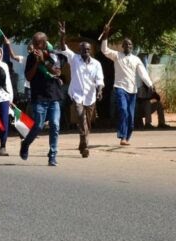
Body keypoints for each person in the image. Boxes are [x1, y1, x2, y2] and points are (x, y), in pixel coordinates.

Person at [100, 26, 154, 146]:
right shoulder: (116, 55)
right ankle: (122, 136)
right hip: (120, 88)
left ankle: (127, 137)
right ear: (122, 46)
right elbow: (104, 50)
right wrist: (105, 35)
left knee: (131, 115)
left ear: (132, 47)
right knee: (123, 111)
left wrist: (150, 84)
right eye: (126, 45)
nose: (128, 46)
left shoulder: (136, 59)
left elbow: (143, 73)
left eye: (130, 45)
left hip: (132, 90)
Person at [58, 22, 104, 158]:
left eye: (88, 50)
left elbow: (100, 80)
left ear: (91, 50)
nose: (86, 52)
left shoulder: (96, 64)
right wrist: (62, 37)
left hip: (91, 96)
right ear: (79, 50)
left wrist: (100, 90)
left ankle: (82, 142)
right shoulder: (74, 59)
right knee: (80, 116)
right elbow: (63, 48)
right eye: (83, 50)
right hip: (76, 94)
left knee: (87, 122)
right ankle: (85, 147)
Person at [21, 32, 62, 166]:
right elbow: (28, 77)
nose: (37, 45)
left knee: (55, 125)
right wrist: (36, 63)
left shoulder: (53, 56)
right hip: (39, 96)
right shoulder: (31, 57)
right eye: (35, 42)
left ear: (45, 43)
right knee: (38, 125)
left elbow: (57, 72)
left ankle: (52, 155)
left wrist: (43, 61)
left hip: (53, 96)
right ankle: (26, 144)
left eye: (40, 42)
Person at [0, 44, 14, 156]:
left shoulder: (4, 65)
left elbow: (8, 83)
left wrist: (11, 98)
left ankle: (3, 146)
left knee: (4, 122)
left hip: (4, 97)